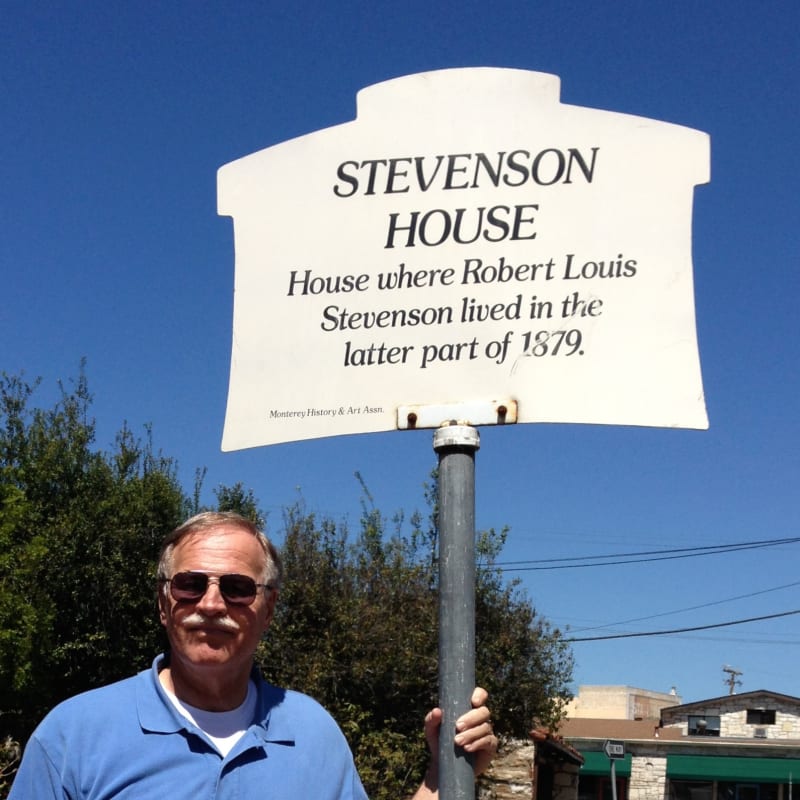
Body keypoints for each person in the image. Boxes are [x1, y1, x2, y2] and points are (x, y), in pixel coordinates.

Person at [10, 511, 497, 798]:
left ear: (268, 609)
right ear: (163, 602)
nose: (212, 604)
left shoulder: (314, 734)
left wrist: (443, 774)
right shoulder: (72, 735)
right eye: (190, 584)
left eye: (239, 588)